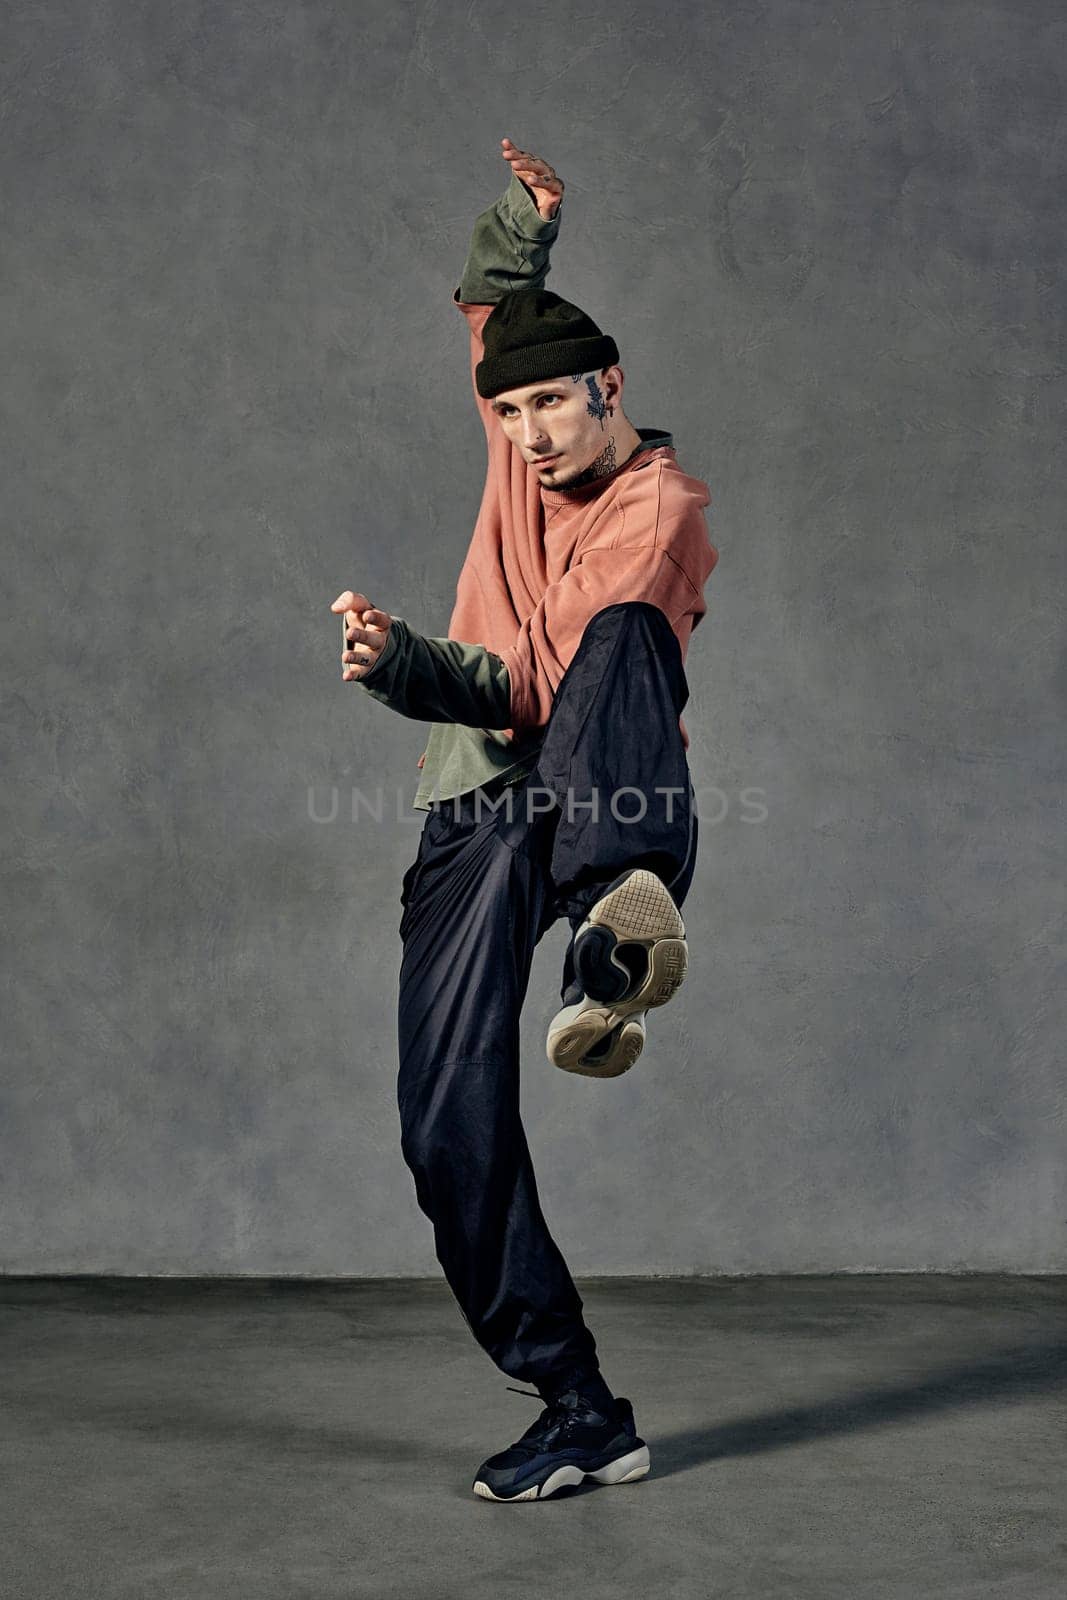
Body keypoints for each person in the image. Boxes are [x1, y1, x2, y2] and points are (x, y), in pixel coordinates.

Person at [330, 137, 718, 1502]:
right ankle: (580, 1409)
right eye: (512, 415)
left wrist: (450, 680)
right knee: (445, 1126)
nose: (535, 434)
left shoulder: (651, 504)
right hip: (470, 815)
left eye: (556, 404)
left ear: (609, 386)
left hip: (587, 786)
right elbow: (495, 296)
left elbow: (549, 683)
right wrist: (398, 667)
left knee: (614, 632)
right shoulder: (516, 451)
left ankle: (615, 919)